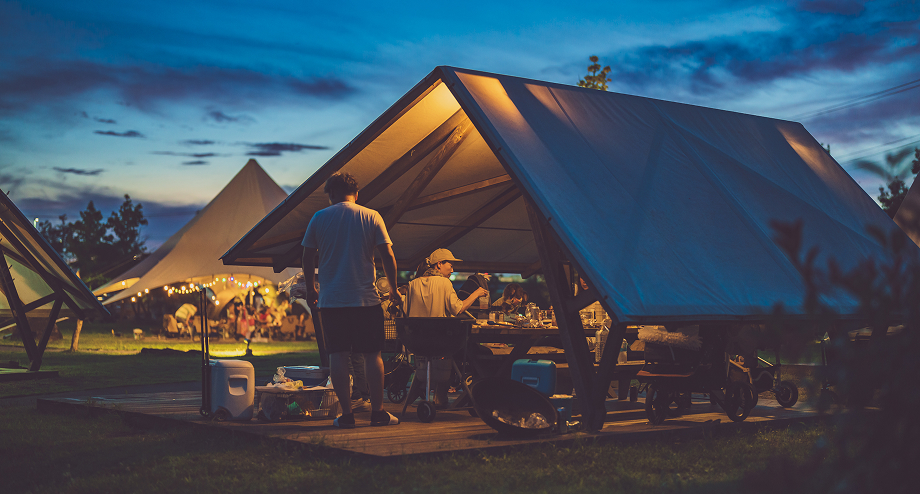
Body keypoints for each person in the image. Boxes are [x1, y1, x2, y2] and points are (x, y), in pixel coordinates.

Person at [302, 172, 402, 428]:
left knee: (337, 356)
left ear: (331, 195)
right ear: (357, 194)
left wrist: (312, 289)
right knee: (372, 355)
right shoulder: (370, 216)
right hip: (365, 300)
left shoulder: (319, 218)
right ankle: (378, 413)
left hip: (332, 300)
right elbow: (387, 255)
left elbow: (307, 256)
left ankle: (346, 416)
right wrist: (394, 289)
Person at [403, 248, 488, 407]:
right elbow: (458, 309)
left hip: (416, 343)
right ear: (439, 264)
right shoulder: (444, 282)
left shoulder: (413, 284)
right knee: (469, 351)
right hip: (440, 344)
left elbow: (406, 314)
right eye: (450, 265)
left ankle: (426, 392)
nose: (452, 269)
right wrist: (476, 293)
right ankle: (444, 397)